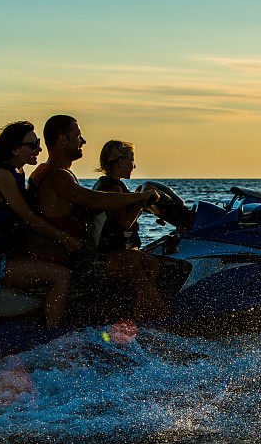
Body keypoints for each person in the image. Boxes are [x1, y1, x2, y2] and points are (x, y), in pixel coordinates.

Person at [26, 116, 164, 319]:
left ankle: (139, 315)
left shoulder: (56, 173)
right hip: (72, 260)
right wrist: (140, 197)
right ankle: (159, 320)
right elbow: (92, 200)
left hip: (75, 254)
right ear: (63, 140)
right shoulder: (56, 176)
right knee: (131, 266)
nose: (83, 141)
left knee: (150, 263)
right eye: (78, 136)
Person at [0, 121, 82, 328]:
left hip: (5, 256)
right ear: (14, 149)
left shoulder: (17, 171)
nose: (38, 149)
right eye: (32, 145)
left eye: (38, 143)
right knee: (61, 276)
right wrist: (66, 239)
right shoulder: (3, 176)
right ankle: (51, 335)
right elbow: (28, 217)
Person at [93, 140, 169, 321]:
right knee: (148, 274)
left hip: (113, 253)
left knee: (153, 264)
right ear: (120, 162)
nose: (133, 165)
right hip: (113, 256)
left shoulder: (107, 184)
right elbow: (124, 223)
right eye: (131, 160)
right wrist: (141, 202)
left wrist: (136, 197)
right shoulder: (114, 188)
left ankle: (139, 314)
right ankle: (161, 316)